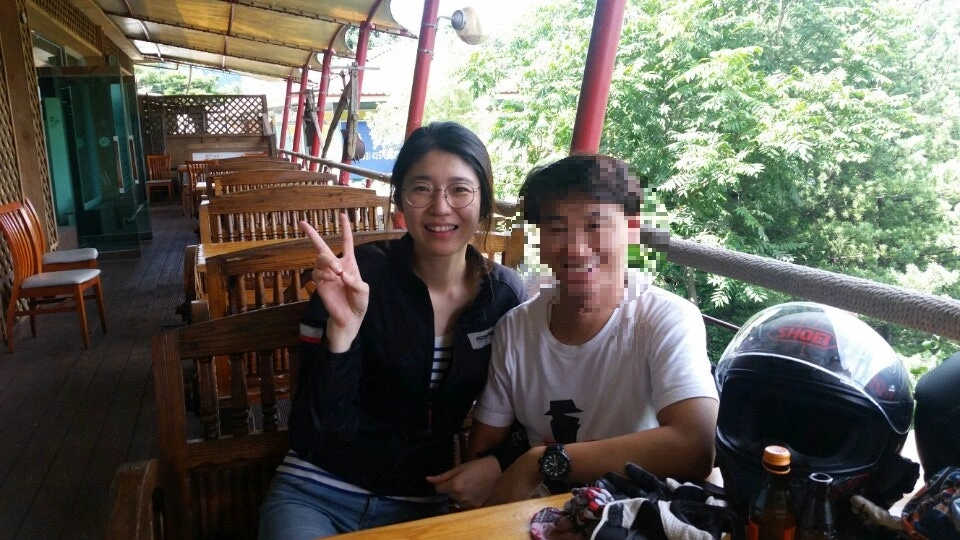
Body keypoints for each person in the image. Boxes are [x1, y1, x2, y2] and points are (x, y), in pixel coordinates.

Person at [258, 122, 527, 539]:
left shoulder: (503, 295)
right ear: (400, 199)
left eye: (459, 190)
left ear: (484, 201)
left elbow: (536, 404)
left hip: (423, 502)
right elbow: (315, 425)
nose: (440, 207)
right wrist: (341, 335)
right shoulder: (357, 277)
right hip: (317, 489)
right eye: (421, 188)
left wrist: (498, 463)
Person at [427, 154, 719, 508]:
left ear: (631, 231)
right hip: (539, 515)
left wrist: (543, 462)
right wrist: (499, 466)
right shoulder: (516, 328)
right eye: (556, 228)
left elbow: (696, 447)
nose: (577, 248)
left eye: (595, 225)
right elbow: (484, 449)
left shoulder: (666, 319)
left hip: (631, 514)